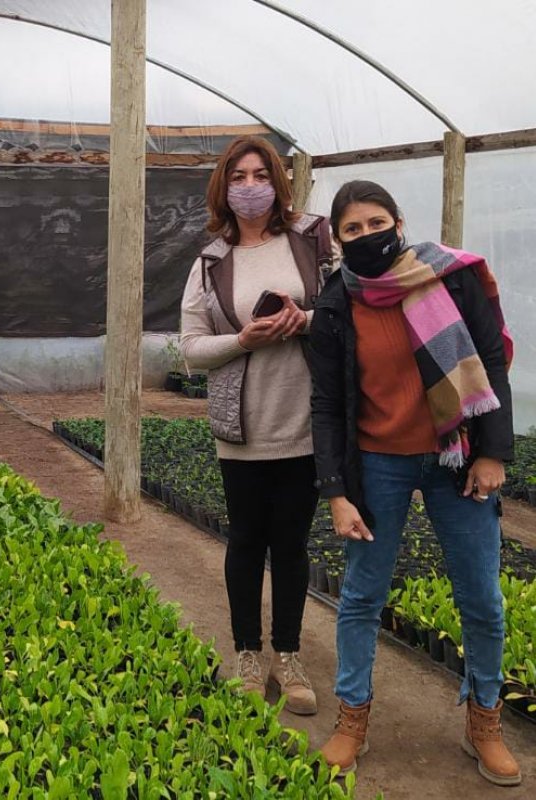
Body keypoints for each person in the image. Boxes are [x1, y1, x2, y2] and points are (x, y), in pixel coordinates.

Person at [310, 180, 520, 785]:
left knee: (481, 598)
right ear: (338, 239)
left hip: (458, 459)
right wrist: (337, 492)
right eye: (352, 229)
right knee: (361, 596)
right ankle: (352, 718)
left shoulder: (449, 278)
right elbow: (327, 404)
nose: (367, 235)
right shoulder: (335, 304)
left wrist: (493, 453)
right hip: (379, 463)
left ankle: (484, 720)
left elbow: (491, 362)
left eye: (376, 223)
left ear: (398, 223)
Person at [179, 135, 333, 716]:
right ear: (224, 188)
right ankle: (247, 653)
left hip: (306, 420)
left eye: (261, 175)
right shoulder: (211, 262)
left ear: (279, 181)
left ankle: (287, 656)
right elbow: (191, 348)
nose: (250, 187)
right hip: (243, 426)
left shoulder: (312, 240)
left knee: (291, 544)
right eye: (239, 177)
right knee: (245, 540)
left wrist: (305, 320)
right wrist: (243, 339)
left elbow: (348, 314)